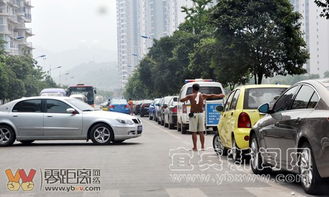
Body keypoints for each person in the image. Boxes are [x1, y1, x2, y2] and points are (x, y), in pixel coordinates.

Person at [180, 83, 225, 151]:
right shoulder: (202, 95)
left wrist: (187, 98)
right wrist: (220, 95)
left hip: (193, 115)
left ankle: (195, 147)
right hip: (201, 114)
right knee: (201, 131)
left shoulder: (190, 96)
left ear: (193, 89)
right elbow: (212, 95)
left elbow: (181, 100)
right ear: (198, 89)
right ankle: (202, 147)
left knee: (194, 132)